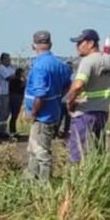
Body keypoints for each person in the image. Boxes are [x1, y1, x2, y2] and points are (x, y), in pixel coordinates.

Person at [63, 29, 110, 163]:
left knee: (77, 152)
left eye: (80, 43)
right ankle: (98, 172)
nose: (77, 46)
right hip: (102, 112)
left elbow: (78, 85)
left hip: (85, 112)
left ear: (91, 43)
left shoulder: (88, 61)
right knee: (99, 150)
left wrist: (70, 101)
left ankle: (78, 174)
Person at [24, 31, 72, 180]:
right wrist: (58, 97)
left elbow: (40, 94)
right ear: (50, 44)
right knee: (34, 149)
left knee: (41, 152)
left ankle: (43, 184)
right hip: (53, 112)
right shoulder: (60, 64)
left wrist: (34, 113)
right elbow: (68, 85)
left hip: (42, 116)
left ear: (33, 45)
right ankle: (31, 178)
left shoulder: (39, 66)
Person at [0, 53, 15, 137]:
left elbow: (14, 75)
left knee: (6, 112)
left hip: (8, 93)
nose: (9, 61)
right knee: (2, 112)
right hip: (2, 93)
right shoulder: (1, 68)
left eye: (9, 59)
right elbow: (9, 78)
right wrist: (16, 76)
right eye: (7, 59)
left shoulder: (10, 68)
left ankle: (3, 130)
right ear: (2, 60)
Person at [8, 67, 26, 137]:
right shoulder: (17, 80)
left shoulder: (12, 79)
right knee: (14, 114)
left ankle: (13, 130)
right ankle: (12, 131)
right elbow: (23, 85)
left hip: (13, 97)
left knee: (14, 115)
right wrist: (24, 79)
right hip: (16, 97)